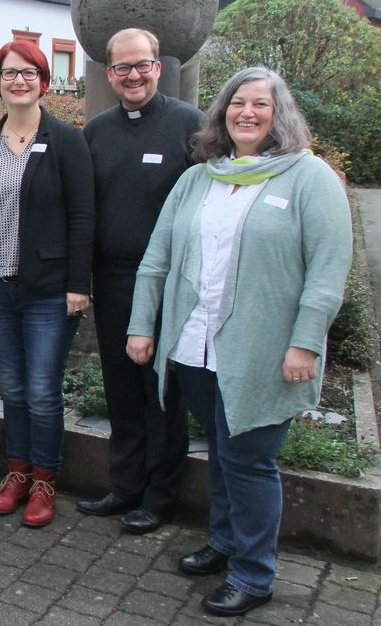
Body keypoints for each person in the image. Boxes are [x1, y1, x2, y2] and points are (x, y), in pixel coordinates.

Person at [127, 67, 352, 617]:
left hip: (265, 352)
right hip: (196, 345)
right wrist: (142, 324)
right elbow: (157, 258)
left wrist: (306, 343)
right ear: (222, 113)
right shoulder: (200, 178)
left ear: (280, 116)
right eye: (237, 104)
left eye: (260, 105)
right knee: (225, 455)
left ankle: (254, 574)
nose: (246, 113)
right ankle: (226, 543)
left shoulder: (309, 178)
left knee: (250, 460)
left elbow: (328, 270)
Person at [77, 28, 203, 534]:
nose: (133, 75)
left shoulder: (188, 125)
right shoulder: (98, 131)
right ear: (109, 73)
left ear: (158, 66)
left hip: (168, 284)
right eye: (123, 67)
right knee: (122, 389)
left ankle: (159, 496)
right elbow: (86, 209)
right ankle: (125, 486)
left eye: (142, 65)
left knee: (162, 393)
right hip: (110, 283)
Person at [0, 41, 94, 528]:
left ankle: (44, 481)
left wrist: (78, 283)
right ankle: (15, 473)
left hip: (48, 289)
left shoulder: (66, 141)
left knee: (42, 391)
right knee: (13, 389)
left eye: (29, 73)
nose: (19, 81)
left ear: (45, 80)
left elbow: (83, 216)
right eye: (9, 73)